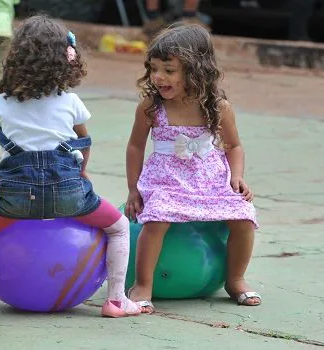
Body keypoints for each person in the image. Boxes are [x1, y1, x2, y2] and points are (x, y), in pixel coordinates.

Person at [0, 15, 142, 318]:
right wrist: (82, 171)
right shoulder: (71, 102)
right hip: (70, 195)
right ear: (65, 61)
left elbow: (8, 145)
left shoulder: (1, 102)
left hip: (15, 199)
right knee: (118, 227)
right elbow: (83, 142)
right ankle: (116, 301)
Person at [125, 24, 261, 314]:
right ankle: (143, 284)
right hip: (166, 178)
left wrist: (236, 177)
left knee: (244, 218)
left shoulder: (217, 106)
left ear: (196, 71)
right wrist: (133, 189)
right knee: (157, 219)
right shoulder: (151, 106)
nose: (158, 77)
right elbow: (136, 146)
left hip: (210, 178)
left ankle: (235, 279)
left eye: (169, 70)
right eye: (154, 68)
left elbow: (234, 146)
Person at [143, 0, 208, 36]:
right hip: (162, 13)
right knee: (152, 26)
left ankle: (189, 19)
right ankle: (153, 20)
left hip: (186, 13)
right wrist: (153, 18)